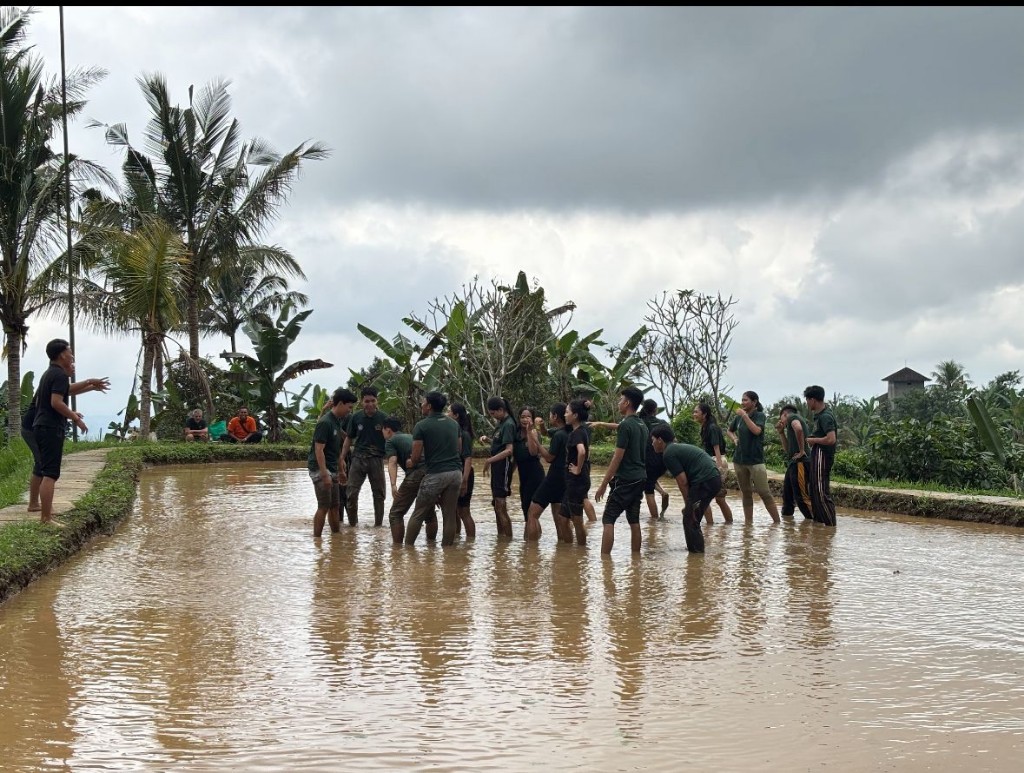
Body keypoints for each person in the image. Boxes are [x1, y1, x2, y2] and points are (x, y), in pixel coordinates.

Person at [22, 347, 109, 517]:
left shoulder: (52, 374)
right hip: (36, 426)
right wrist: (75, 418)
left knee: (42, 466)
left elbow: (67, 390)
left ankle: (36, 504)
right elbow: (57, 401)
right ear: (62, 356)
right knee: (46, 469)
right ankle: (42, 510)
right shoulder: (58, 375)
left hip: (37, 425)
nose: (73, 361)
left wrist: (90, 385)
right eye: (71, 356)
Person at [650, 425, 722, 553]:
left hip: (705, 480)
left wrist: (690, 504)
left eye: (653, 440)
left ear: (660, 440)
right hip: (712, 478)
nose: (652, 443)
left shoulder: (668, 453)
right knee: (691, 517)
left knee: (690, 518)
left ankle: (696, 555)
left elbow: (682, 482)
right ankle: (696, 554)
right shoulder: (675, 448)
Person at [595, 386, 649, 555]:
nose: (618, 403)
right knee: (634, 520)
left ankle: (605, 561)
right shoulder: (642, 425)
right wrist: (602, 424)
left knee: (608, 519)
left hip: (625, 479)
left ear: (627, 403)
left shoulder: (626, 425)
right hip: (640, 478)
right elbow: (621, 426)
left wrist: (603, 484)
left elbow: (617, 458)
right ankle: (636, 560)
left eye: (620, 400)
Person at [406, 391, 463, 546]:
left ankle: (406, 551)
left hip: (436, 474)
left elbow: (416, 457)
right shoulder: (454, 424)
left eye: (423, 403)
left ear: (429, 406)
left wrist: (410, 462)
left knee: (418, 514)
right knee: (449, 515)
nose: (421, 405)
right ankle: (448, 553)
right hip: (456, 473)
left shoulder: (421, 426)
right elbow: (459, 449)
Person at [308, 388, 357, 537]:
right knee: (323, 506)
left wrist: (341, 469)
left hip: (332, 467)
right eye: (349, 407)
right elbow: (319, 450)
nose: (349, 411)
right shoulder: (325, 422)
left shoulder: (336, 422)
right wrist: (324, 474)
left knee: (335, 506)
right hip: (320, 468)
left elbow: (334, 449)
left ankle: (336, 540)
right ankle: (317, 540)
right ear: (340, 404)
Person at [726, 390, 781, 524]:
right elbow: (729, 430)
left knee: (764, 492)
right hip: (739, 460)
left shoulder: (759, 415)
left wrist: (745, 416)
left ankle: (777, 523)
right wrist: (734, 439)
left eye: (746, 400)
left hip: (755, 460)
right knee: (746, 492)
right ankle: (748, 524)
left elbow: (756, 431)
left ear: (754, 402)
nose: (742, 402)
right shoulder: (738, 417)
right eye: (742, 399)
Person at [340, 386, 388, 527]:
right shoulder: (356, 417)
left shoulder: (383, 418)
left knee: (379, 495)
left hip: (377, 459)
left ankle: (378, 526)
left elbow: (390, 439)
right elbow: (349, 438)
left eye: (373, 401)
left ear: (377, 401)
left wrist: (391, 458)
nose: (370, 404)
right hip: (358, 459)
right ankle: (352, 526)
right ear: (362, 402)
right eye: (367, 401)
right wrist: (342, 458)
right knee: (351, 494)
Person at [525, 403, 568, 542]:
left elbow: (549, 458)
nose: (549, 416)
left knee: (532, 514)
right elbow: (546, 432)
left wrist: (536, 441)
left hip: (554, 477)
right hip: (565, 477)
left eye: (550, 414)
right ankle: (564, 551)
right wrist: (541, 426)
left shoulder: (559, 435)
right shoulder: (569, 431)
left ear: (555, 416)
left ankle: (531, 553)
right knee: (559, 518)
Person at [383, 416, 428, 544]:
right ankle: (431, 547)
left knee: (395, 513)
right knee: (428, 513)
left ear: (388, 430)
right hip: (431, 473)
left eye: (383, 430)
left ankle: (397, 550)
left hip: (415, 474)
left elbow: (392, 462)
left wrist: (393, 485)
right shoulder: (410, 436)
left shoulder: (390, 441)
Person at [693, 402, 733, 524]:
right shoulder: (706, 426)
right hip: (712, 461)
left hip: (716, 460)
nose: (694, 414)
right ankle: (719, 525)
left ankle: (711, 525)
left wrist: (719, 468)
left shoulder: (712, 428)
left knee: (712, 497)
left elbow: (717, 449)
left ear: (704, 414)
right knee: (718, 498)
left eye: (696, 412)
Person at [804, 385, 839, 526]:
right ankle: (820, 527)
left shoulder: (826, 417)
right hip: (817, 454)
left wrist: (813, 440)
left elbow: (831, 439)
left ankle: (830, 525)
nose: (806, 403)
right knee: (814, 490)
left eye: (807, 400)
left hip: (823, 455)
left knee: (820, 490)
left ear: (813, 400)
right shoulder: (818, 416)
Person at [483, 396, 516, 539]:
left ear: (501, 410)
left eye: (493, 413)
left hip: (503, 467)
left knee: (501, 505)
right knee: (496, 505)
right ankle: (501, 540)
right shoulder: (501, 423)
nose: (493, 416)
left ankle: (508, 541)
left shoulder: (508, 424)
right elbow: (500, 443)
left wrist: (489, 460)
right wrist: (488, 440)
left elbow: (509, 450)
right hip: (497, 467)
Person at [559, 399, 591, 545]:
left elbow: (582, 452)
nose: (564, 415)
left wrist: (577, 469)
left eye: (567, 412)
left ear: (575, 415)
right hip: (574, 482)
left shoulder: (577, 433)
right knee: (563, 519)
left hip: (577, 481)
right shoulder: (580, 431)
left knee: (577, 520)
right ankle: (570, 556)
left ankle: (582, 554)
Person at [637, 399, 673, 520]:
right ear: (655, 410)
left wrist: (602, 424)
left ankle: (654, 520)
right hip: (664, 460)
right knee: (651, 479)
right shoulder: (663, 422)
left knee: (648, 492)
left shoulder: (641, 422)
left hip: (648, 460)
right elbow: (674, 440)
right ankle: (662, 492)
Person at [777, 404, 813, 519]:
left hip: (800, 462)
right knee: (787, 495)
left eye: (781, 418)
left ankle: (816, 522)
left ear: (785, 414)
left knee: (801, 497)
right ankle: (787, 520)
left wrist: (802, 450)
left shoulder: (792, 417)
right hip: (793, 463)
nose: (781, 421)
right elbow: (787, 450)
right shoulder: (790, 425)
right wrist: (781, 432)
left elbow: (798, 428)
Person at [449, 402, 477, 540]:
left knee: (464, 511)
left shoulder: (464, 435)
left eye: (449, 412)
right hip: (457, 474)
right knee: (454, 510)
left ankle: (470, 542)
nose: (447, 414)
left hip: (464, 475)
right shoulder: (456, 431)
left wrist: (464, 481)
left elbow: (468, 459)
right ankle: (457, 538)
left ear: (456, 415)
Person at [513, 406, 545, 521]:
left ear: (532, 418)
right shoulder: (515, 433)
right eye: (522, 417)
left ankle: (532, 538)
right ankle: (531, 538)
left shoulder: (534, 433)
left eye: (528, 417)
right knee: (526, 511)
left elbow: (533, 452)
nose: (525, 419)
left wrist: (529, 432)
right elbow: (515, 457)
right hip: (523, 476)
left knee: (531, 513)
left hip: (535, 475)